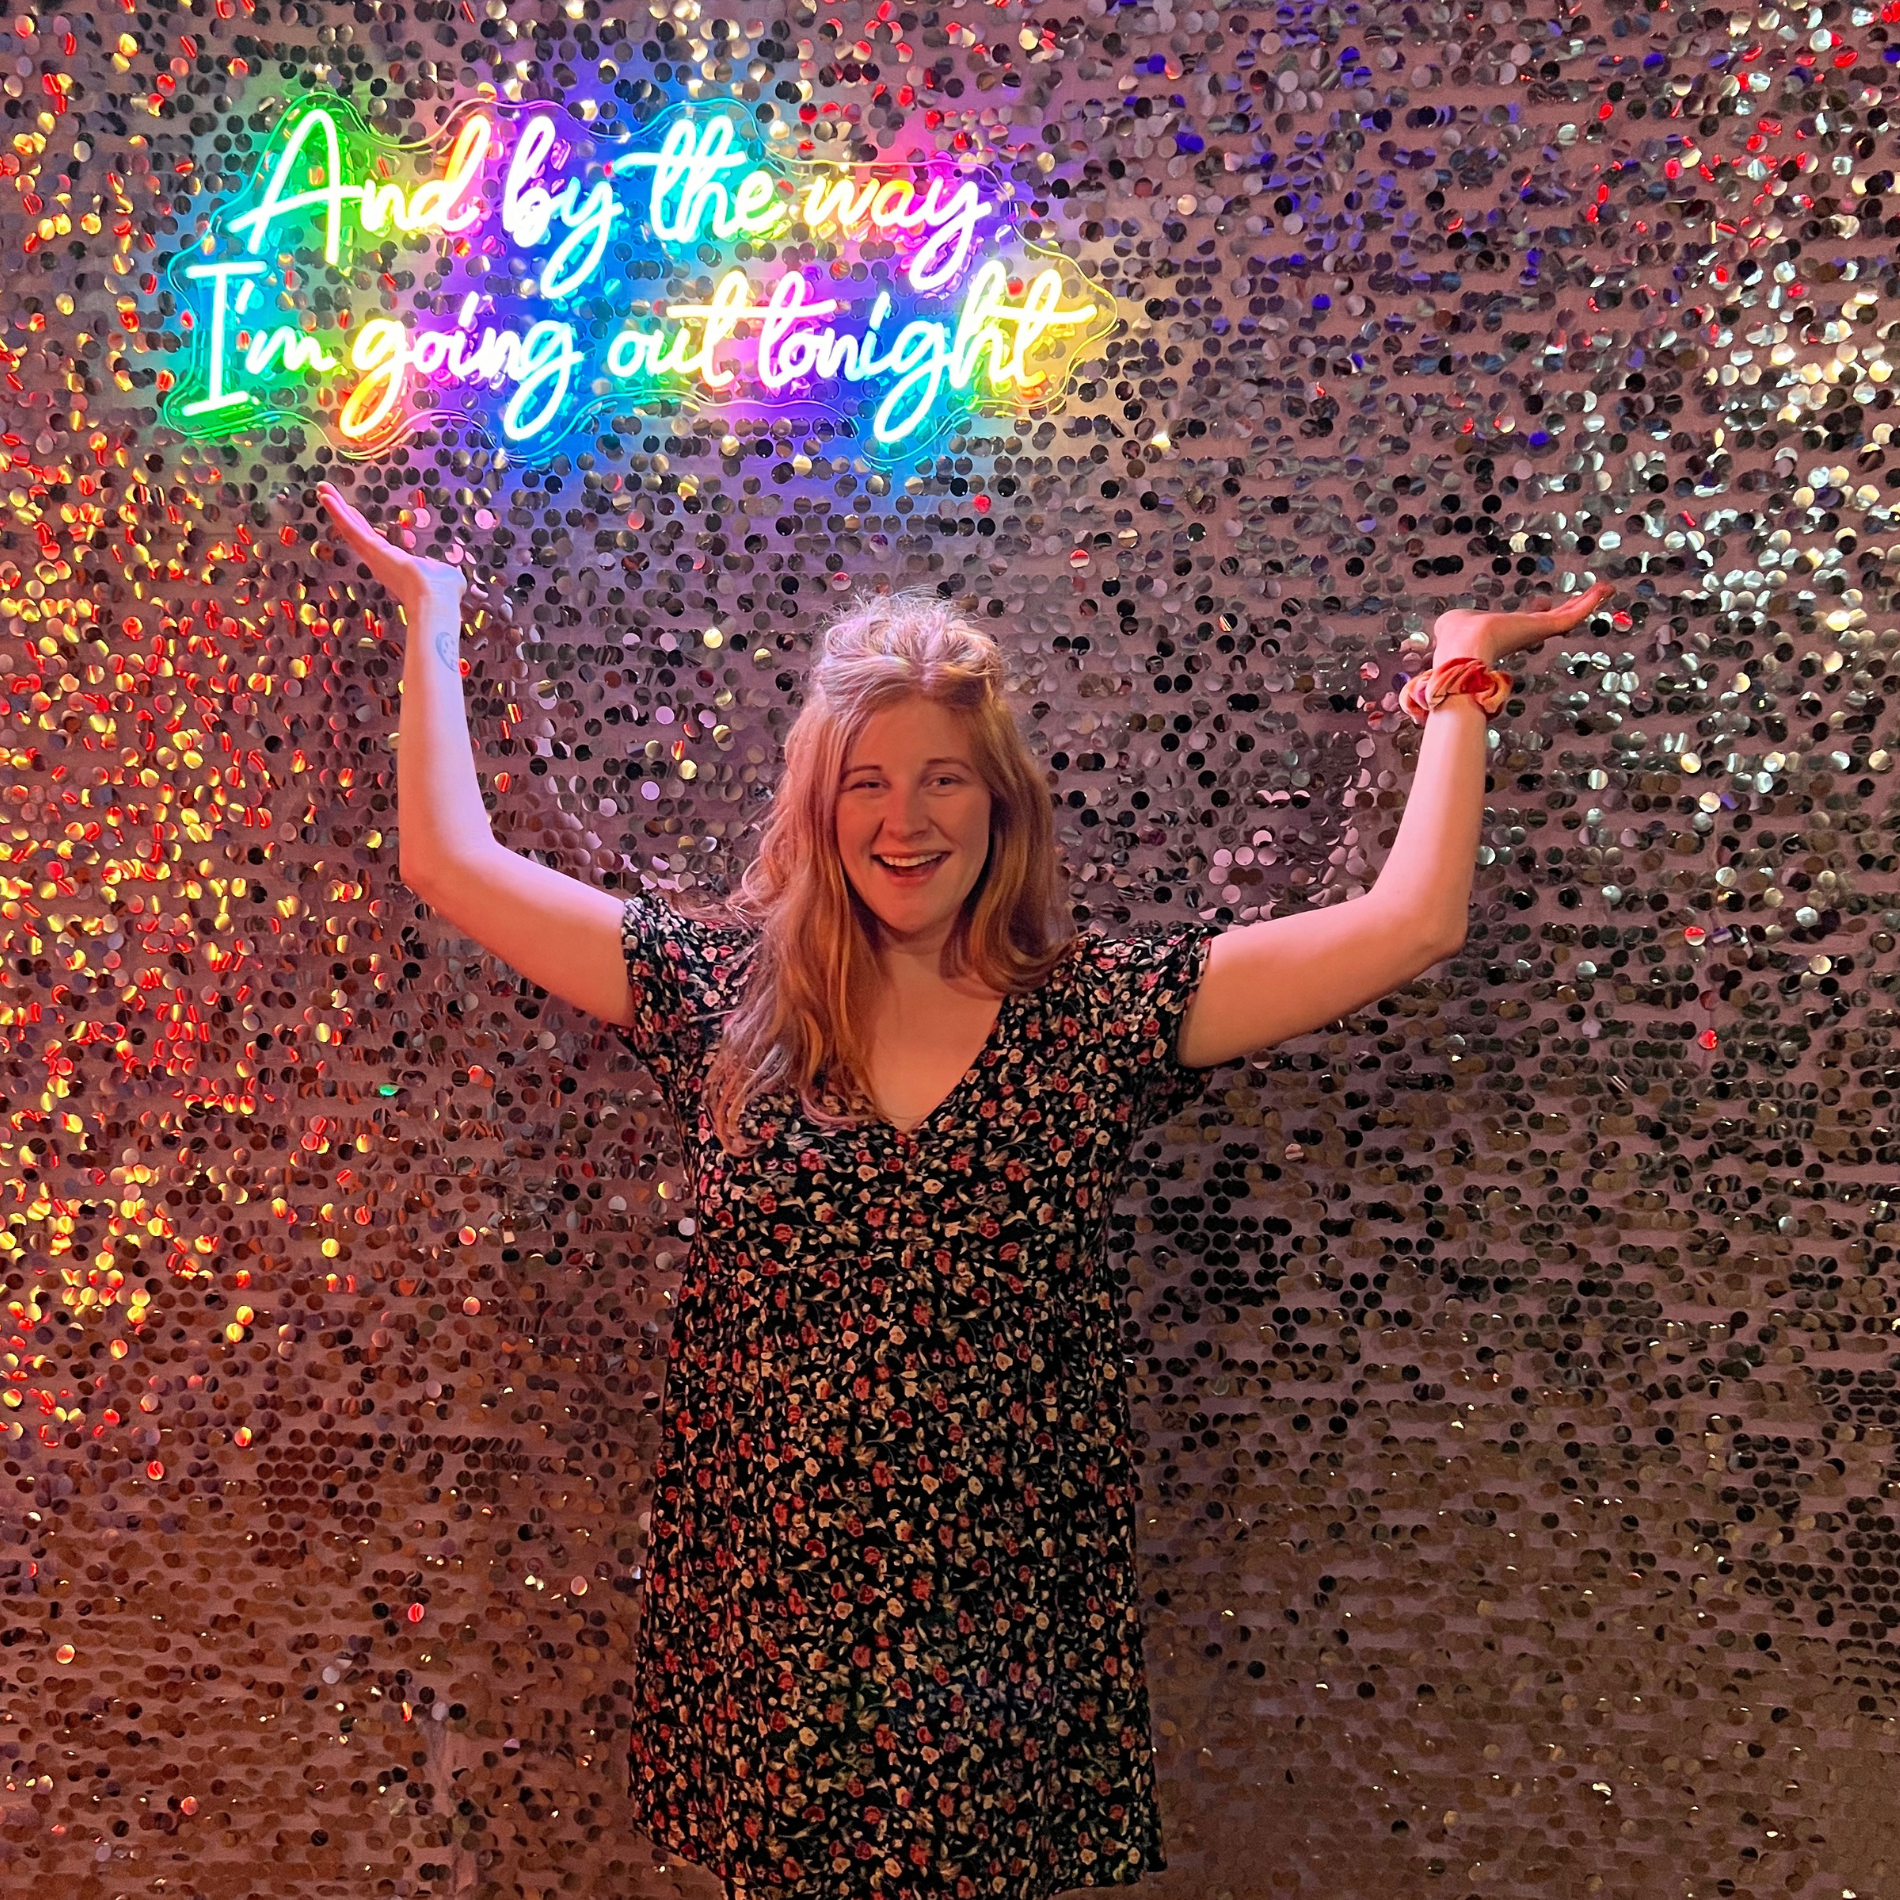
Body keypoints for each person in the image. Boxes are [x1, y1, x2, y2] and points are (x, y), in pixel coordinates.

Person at [319, 479, 1611, 1900]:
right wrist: (431, 620)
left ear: (997, 800)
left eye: (941, 776)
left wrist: (1459, 670)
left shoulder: (1098, 1019)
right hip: (775, 1634)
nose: (904, 817)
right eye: (867, 780)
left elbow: (1412, 922)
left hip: (1004, 1638)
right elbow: (451, 860)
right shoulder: (716, 998)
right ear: (822, 808)